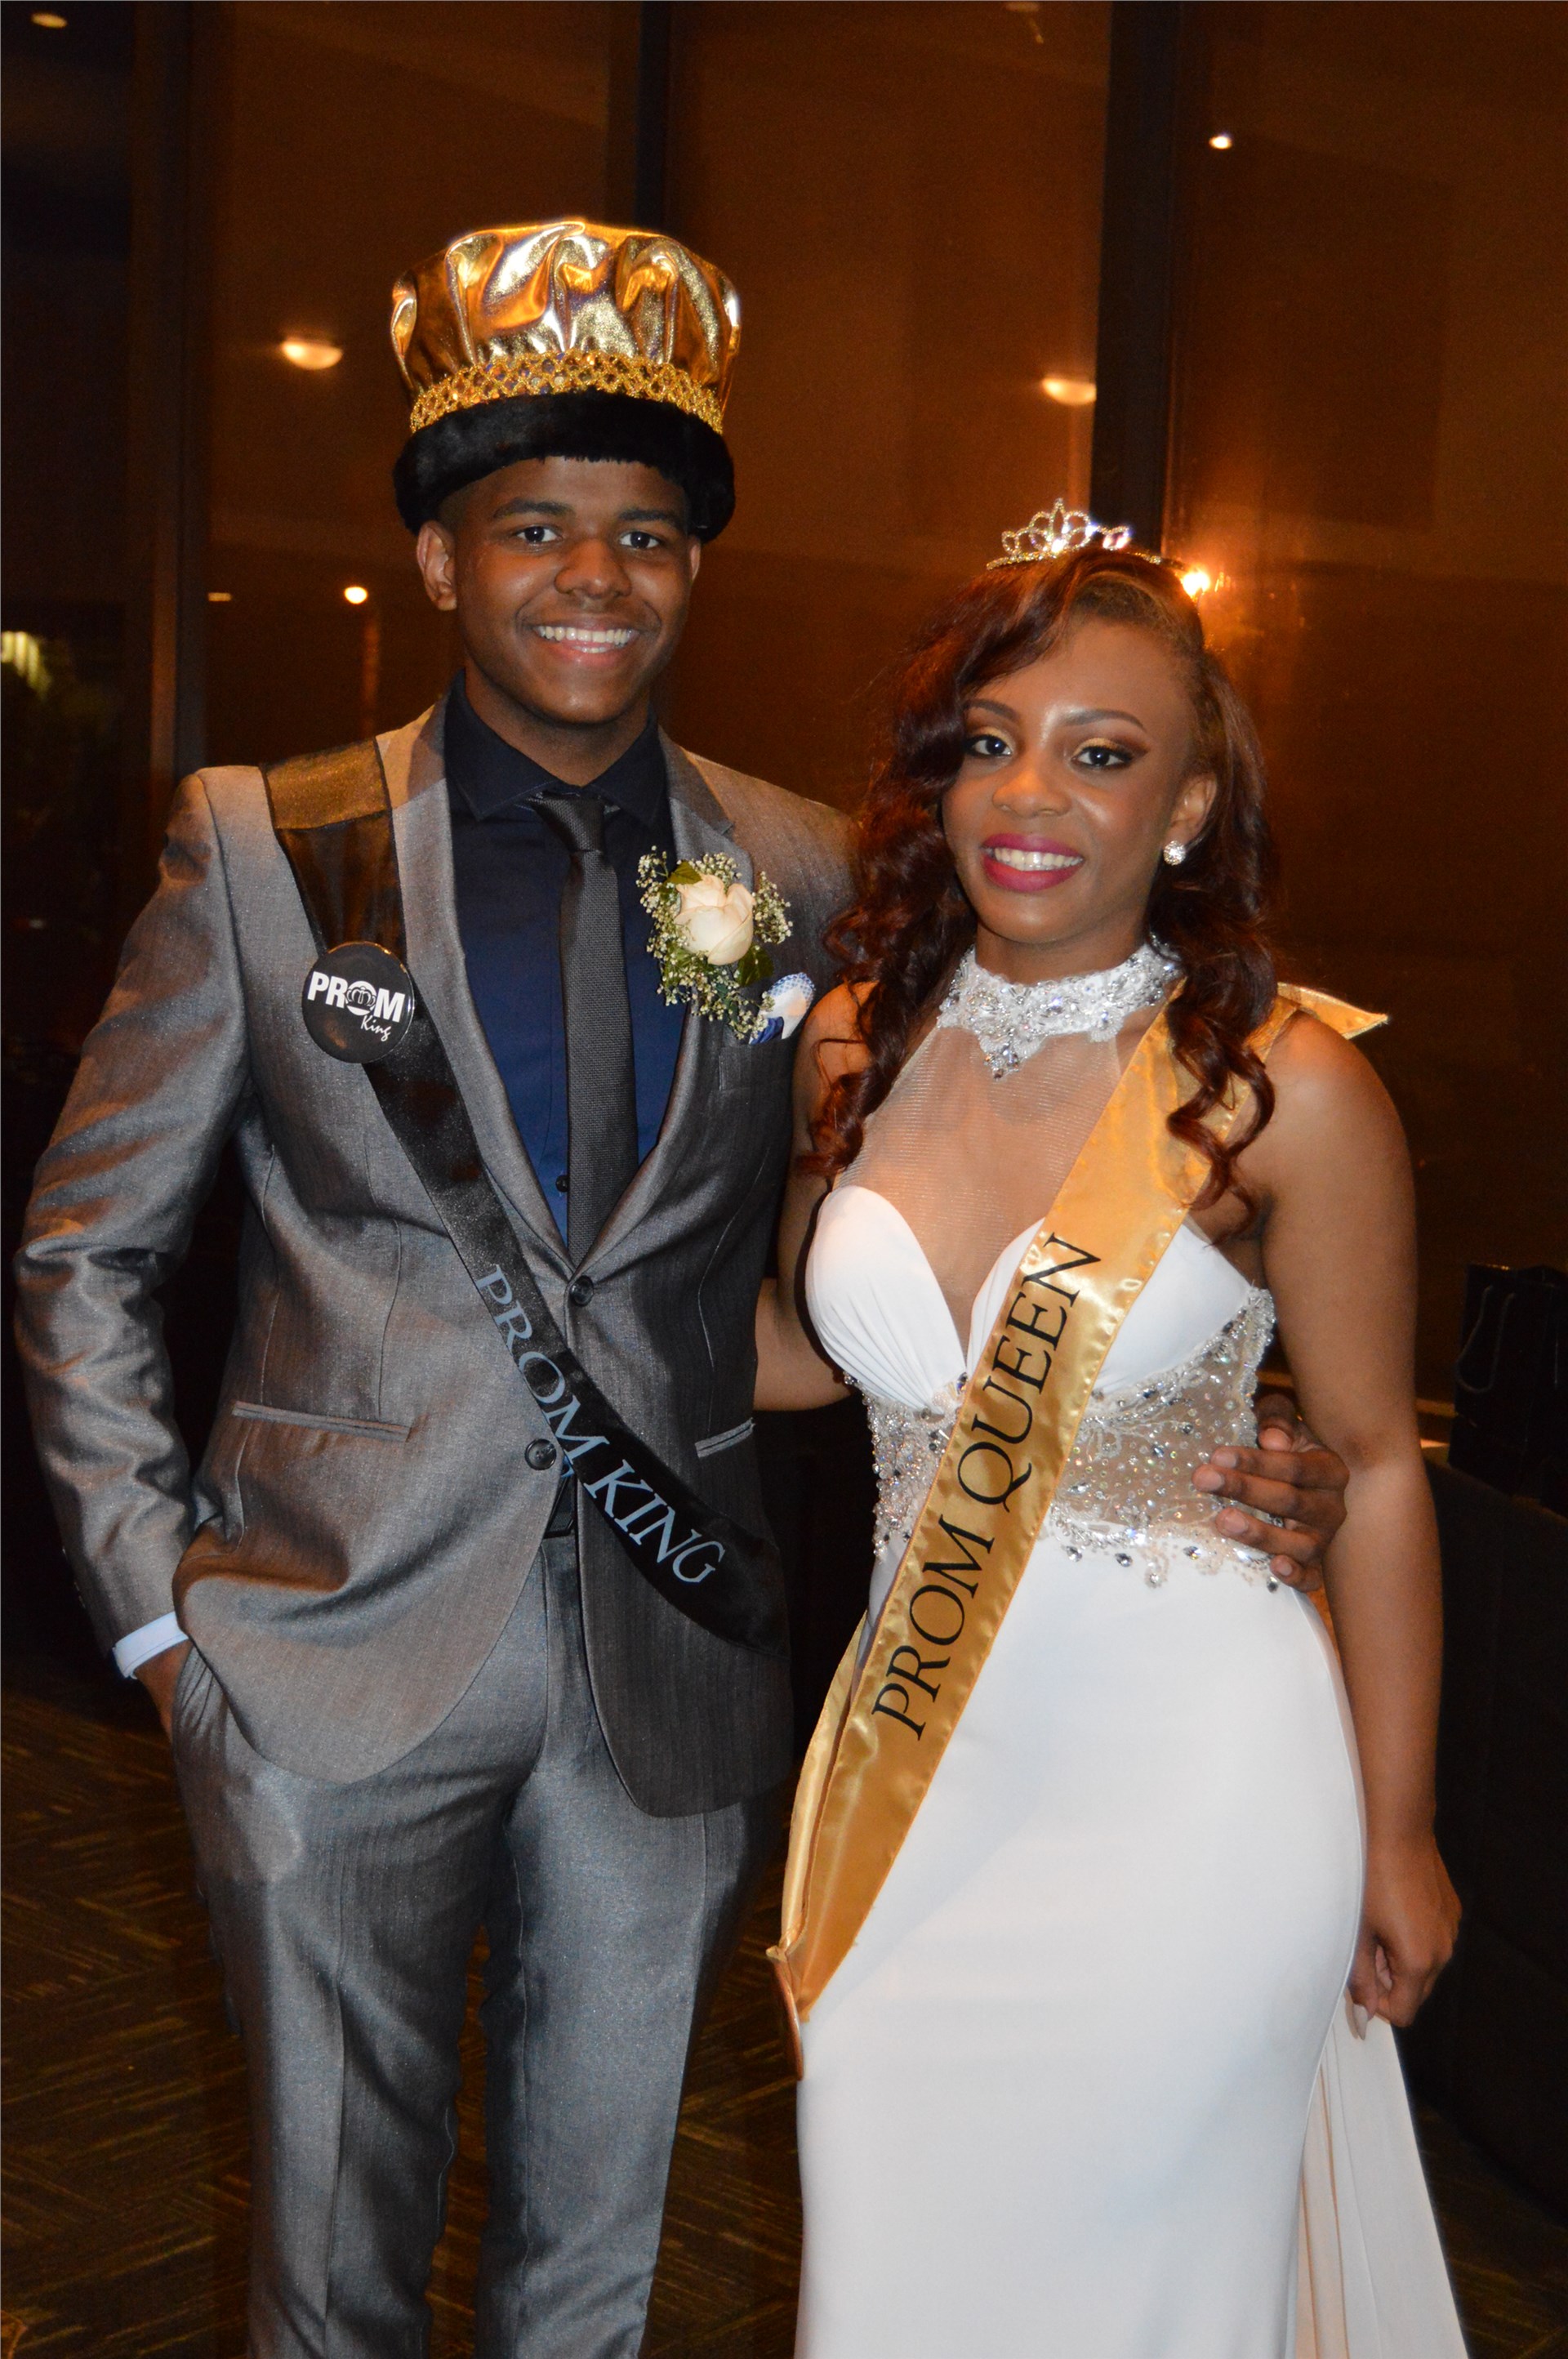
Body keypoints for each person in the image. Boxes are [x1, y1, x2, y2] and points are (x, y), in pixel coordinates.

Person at [16, 220, 1343, 2351]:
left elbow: (999, 1185)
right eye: (534, 524)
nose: (592, 579)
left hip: (674, 1674)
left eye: (644, 535)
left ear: (691, 569)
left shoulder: (807, 873)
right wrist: (168, 1617)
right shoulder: (267, 852)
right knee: (330, 2270)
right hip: (326, 1661)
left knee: (590, 2270)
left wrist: (1231, 1418)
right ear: (443, 558)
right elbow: (86, 1256)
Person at [759, 511, 1467, 2357]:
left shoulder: (1285, 1084)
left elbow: (1380, 1466)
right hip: (924, 1787)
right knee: (891, 2268)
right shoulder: (851, 1041)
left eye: (1103, 752)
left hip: (1196, 1803)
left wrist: (1400, 1830)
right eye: (989, 741)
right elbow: (792, 1359)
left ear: (1191, 804)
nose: (1032, 794)